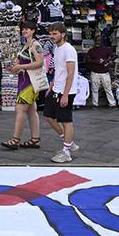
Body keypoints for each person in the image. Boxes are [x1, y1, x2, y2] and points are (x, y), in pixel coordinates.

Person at [2, 20, 45, 150]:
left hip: (29, 83)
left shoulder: (35, 45)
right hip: (25, 80)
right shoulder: (26, 45)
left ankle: (15, 139)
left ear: (33, 31)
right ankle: (35, 139)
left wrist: (20, 66)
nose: (24, 30)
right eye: (23, 29)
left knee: (20, 109)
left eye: (27, 29)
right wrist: (15, 68)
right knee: (31, 110)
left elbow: (40, 63)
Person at [43, 23, 79, 163]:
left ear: (63, 34)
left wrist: (65, 94)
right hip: (56, 88)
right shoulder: (57, 49)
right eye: (51, 34)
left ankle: (66, 151)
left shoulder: (68, 50)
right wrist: (51, 86)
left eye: (55, 33)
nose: (52, 36)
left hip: (66, 91)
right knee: (48, 116)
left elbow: (70, 73)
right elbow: (59, 70)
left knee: (66, 120)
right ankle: (68, 142)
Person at [85, 39, 115, 108]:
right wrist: (96, 61)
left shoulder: (106, 49)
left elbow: (115, 56)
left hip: (105, 72)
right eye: (96, 41)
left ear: (102, 42)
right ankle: (95, 104)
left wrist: (107, 60)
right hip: (95, 72)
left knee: (108, 88)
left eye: (99, 41)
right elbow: (87, 60)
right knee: (94, 89)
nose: (97, 43)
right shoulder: (91, 50)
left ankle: (112, 104)